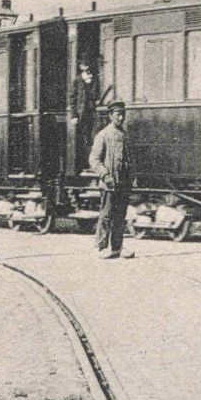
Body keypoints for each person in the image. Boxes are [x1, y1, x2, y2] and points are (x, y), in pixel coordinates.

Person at [89, 101, 134, 259]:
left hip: (123, 183)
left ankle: (117, 247)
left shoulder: (124, 135)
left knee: (120, 216)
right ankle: (102, 247)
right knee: (106, 215)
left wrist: (131, 177)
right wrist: (105, 176)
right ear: (110, 116)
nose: (121, 118)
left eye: (123, 114)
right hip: (109, 183)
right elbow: (94, 160)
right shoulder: (103, 135)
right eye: (117, 115)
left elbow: (129, 159)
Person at [68, 62, 103, 166]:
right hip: (82, 113)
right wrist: (74, 115)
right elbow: (72, 98)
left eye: (88, 68)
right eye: (84, 68)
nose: (87, 70)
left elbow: (96, 94)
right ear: (81, 68)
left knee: (93, 137)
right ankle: (85, 163)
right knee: (84, 138)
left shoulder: (94, 79)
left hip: (93, 112)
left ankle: (92, 162)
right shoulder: (77, 80)